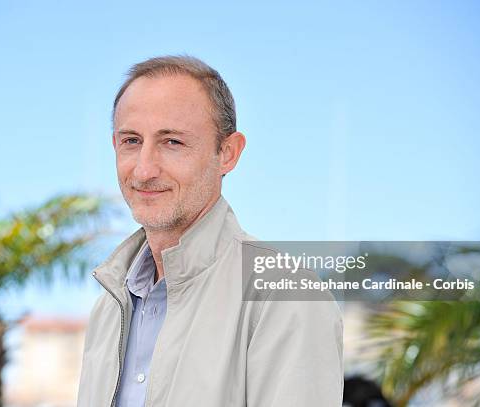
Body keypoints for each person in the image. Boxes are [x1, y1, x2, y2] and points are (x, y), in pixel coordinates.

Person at [77, 55, 343, 407]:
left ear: (228, 153)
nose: (144, 170)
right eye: (131, 141)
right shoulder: (109, 308)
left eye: (172, 142)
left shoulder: (284, 297)